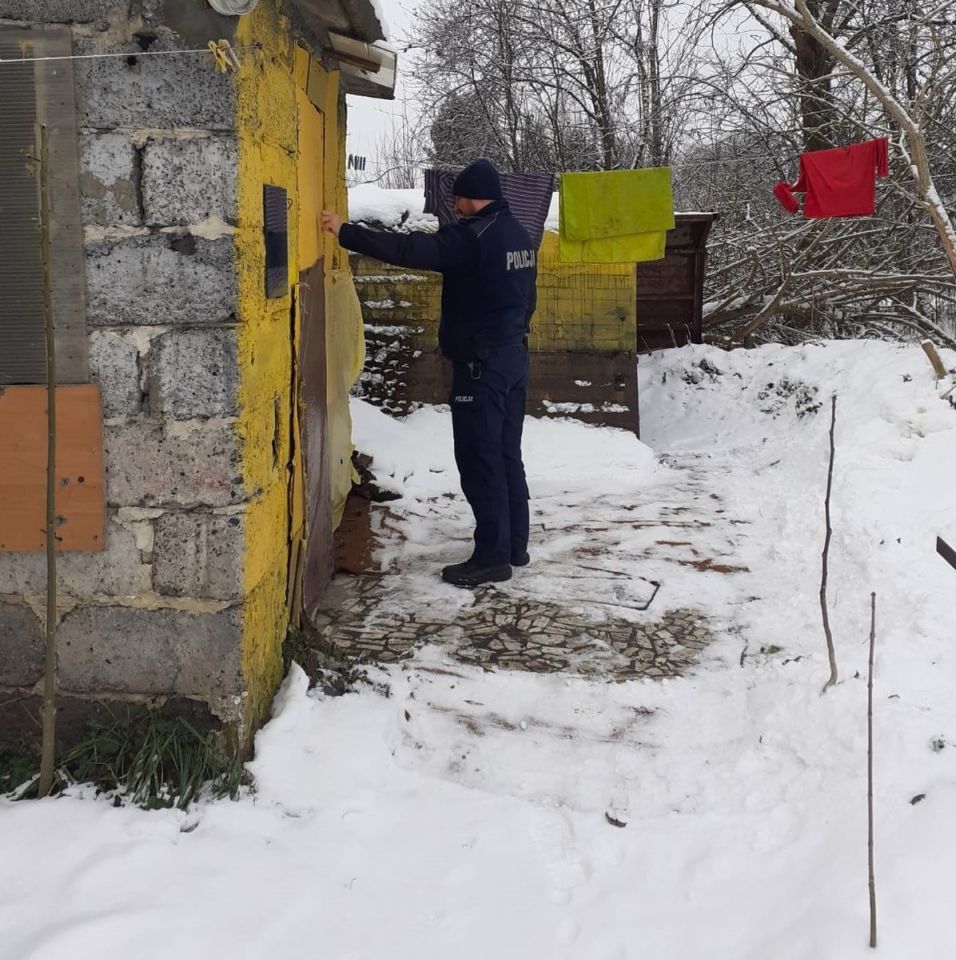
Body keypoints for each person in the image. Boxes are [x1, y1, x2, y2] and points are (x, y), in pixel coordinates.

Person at [321, 159, 537, 588]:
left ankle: (492, 558)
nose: (454, 207)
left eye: (458, 199)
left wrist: (345, 231)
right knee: (506, 455)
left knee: (480, 460)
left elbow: (410, 250)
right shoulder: (519, 235)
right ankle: (514, 545)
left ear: (472, 197)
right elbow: (528, 298)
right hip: (513, 359)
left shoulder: (473, 238)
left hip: (481, 369)